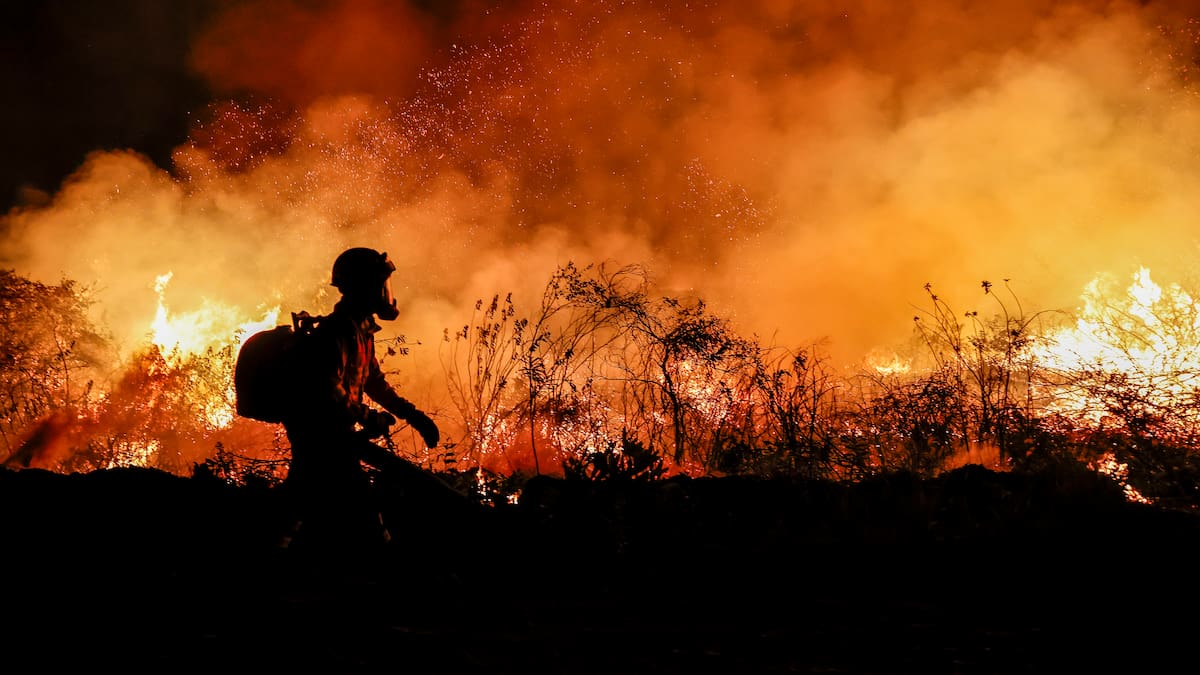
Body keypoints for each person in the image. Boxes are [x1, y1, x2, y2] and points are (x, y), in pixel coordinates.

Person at [278, 246, 440, 558]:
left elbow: (373, 382)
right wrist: (369, 417)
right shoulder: (336, 333)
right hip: (317, 431)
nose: (385, 292)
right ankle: (386, 564)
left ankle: (273, 560)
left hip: (331, 430)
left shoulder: (361, 329)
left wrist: (413, 416)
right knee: (356, 499)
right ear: (364, 286)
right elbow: (330, 393)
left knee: (301, 496)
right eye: (381, 283)